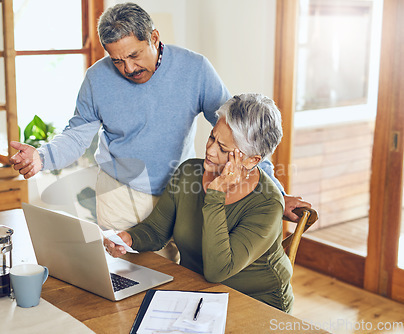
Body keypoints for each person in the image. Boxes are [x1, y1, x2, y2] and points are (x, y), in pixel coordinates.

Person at [9, 3, 309, 261]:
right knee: (130, 282)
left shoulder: (195, 70)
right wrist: (41, 157)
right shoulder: (97, 79)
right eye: (117, 60)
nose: (128, 68)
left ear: (154, 37)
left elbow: (241, 131)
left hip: (181, 193)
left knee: (186, 277)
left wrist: (278, 194)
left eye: (135, 55)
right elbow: (77, 134)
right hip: (119, 195)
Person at [105, 93, 294, 313]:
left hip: (256, 303)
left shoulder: (267, 204)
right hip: (197, 293)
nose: (210, 150)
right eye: (213, 137)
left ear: (251, 160)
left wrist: (215, 195)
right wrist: (129, 238)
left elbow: (218, 270)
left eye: (224, 149)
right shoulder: (189, 172)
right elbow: (156, 230)